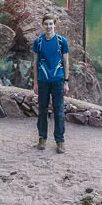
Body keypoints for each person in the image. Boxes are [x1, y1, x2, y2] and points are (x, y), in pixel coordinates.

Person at [31, 14, 70, 153]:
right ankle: (42, 138)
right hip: (43, 80)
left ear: (55, 25)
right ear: (42, 25)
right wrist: (35, 82)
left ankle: (60, 141)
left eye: (51, 24)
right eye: (46, 24)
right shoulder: (38, 42)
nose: (48, 27)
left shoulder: (62, 41)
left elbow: (66, 62)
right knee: (42, 110)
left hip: (58, 80)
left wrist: (66, 81)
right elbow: (35, 62)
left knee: (59, 111)